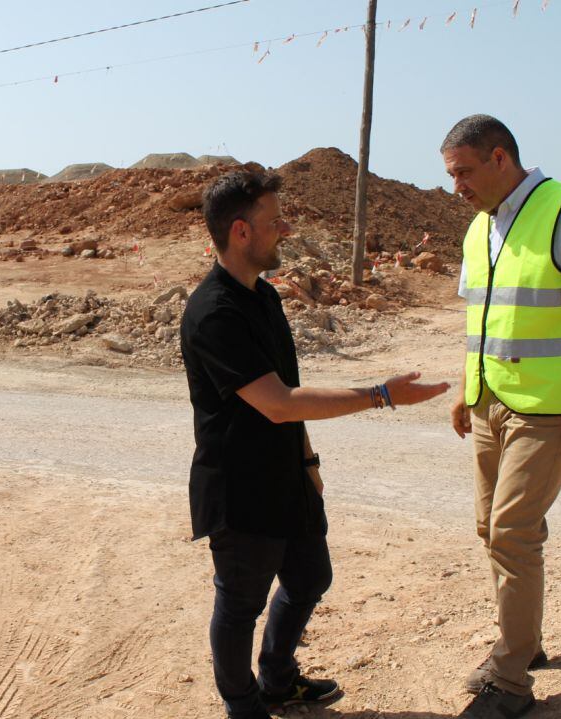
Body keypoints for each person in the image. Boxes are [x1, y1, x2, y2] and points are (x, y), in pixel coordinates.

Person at [180, 170, 449, 719]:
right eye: (275, 220)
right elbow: (278, 402)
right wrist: (380, 395)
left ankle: (277, 678)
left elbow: (291, 398)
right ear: (240, 232)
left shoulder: (265, 300)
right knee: (239, 605)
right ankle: (243, 704)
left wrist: (307, 460)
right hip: (241, 489)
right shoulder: (213, 314)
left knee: (310, 577)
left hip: (287, 475)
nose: (287, 228)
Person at [442, 115, 561, 719]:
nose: (457, 187)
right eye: (450, 176)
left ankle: (511, 680)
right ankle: (525, 642)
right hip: (491, 399)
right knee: (489, 529)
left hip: (548, 407)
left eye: (465, 172)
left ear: (501, 158)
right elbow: (486, 316)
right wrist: (467, 389)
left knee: (511, 533)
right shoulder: (479, 227)